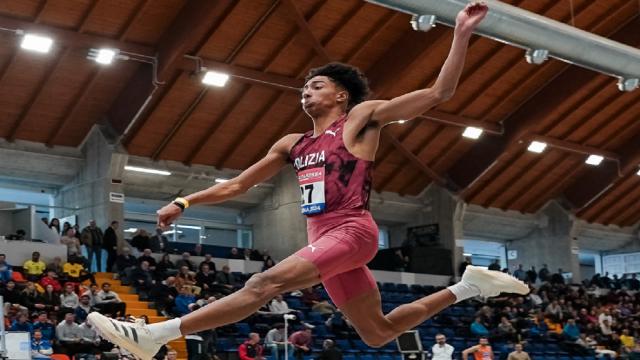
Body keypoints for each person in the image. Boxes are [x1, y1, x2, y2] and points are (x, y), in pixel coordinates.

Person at [88, 5, 529, 358]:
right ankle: (470, 286)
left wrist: (460, 34)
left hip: (352, 231)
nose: (305, 92)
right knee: (377, 333)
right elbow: (237, 186)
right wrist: (185, 202)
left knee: (262, 285)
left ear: (340, 95)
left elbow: (439, 95)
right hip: (324, 237)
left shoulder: (359, 119)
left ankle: (159, 334)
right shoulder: (293, 143)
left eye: (315, 86)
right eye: (303, 88)